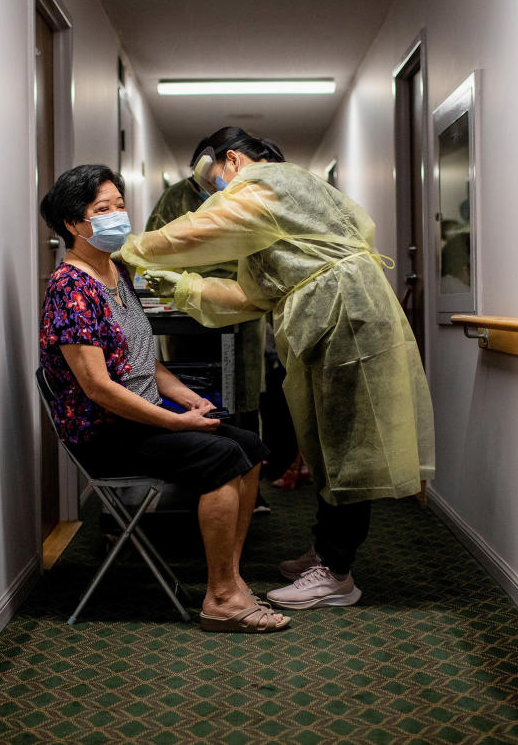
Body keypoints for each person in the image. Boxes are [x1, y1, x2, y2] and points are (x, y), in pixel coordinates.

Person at [120, 127, 435, 611]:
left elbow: (201, 231)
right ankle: (328, 551)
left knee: (346, 446)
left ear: (231, 160)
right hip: (334, 315)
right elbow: (253, 296)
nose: (215, 191)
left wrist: (132, 249)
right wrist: (181, 288)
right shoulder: (284, 208)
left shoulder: (270, 182)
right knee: (329, 443)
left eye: (215, 178)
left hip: (343, 318)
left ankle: (337, 574)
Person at [38, 163, 289, 633]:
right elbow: (97, 387)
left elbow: (146, 362)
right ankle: (220, 600)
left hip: (141, 419)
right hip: (105, 432)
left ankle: (230, 578)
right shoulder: (70, 288)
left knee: (250, 448)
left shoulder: (115, 271)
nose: (117, 215)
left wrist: (189, 400)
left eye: (118, 204)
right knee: (220, 459)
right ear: (73, 225)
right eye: (102, 209)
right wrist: (173, 422)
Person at [146, 131, 278, 512]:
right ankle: (201, 479)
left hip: (240, 309)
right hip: (187, 309)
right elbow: (158, 244)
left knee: (243, 396)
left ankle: (249, 485)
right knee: (195, 393)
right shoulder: (178, 197)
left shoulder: (250, 196)